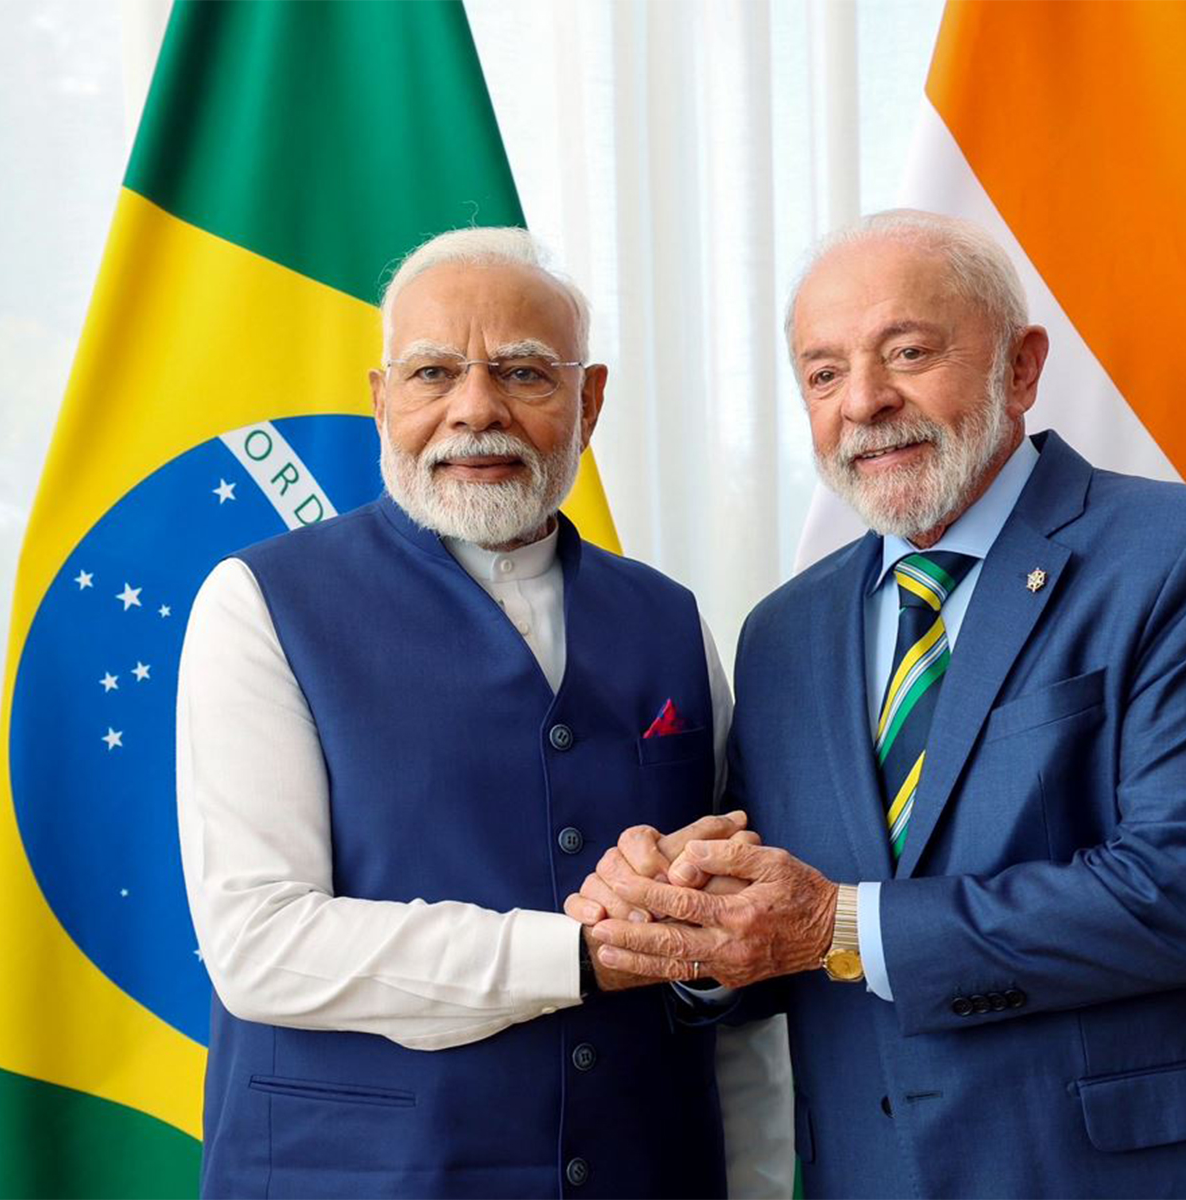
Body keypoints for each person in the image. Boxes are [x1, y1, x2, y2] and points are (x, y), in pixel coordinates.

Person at [570, 210, 1186, 1198]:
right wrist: (686, 921)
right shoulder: (783, 633)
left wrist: (839, 925)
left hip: (1160, 1173)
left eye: (907, 352)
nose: (863, 401)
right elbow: (779, 932)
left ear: (1021, 369)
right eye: (822, 374)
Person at [175, 227, 789, 1199]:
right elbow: (260, 944)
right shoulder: (258, 604)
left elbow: (729, 964)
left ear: (587, 402)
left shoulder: (670, 618)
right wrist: (572, 957)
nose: (475, 410)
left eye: (522, 373)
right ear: (382, 401)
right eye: (431, 373)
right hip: (361, 1175)